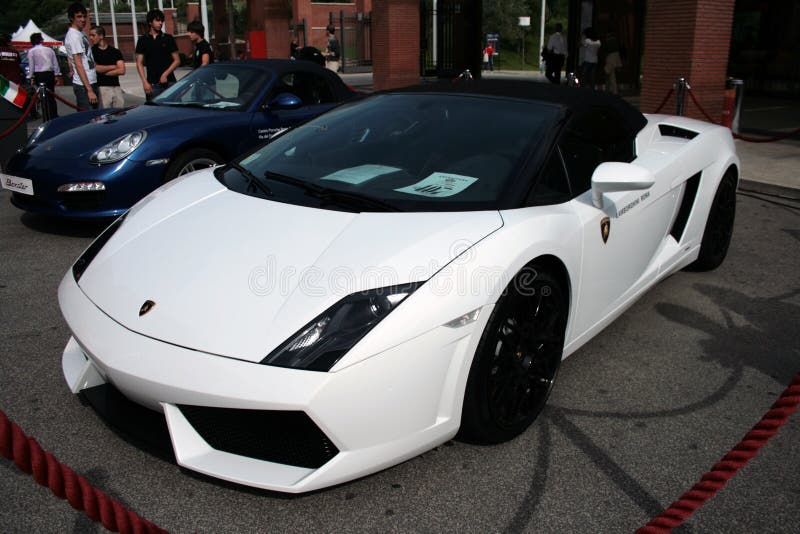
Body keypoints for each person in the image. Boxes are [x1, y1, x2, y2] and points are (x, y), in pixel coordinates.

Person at [135, 9, 180, 101]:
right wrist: (144, 82)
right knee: (153, 113)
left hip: (169, 83)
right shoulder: (143, 40)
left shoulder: (168, 38)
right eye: (157, 20)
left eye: (162, 21)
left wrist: (165, 74)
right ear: (150, 22)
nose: (160, 23)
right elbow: (139, 63)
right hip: (152, 84)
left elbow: (177, 60)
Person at [64, 2, 98, 110]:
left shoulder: (81, 33)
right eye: (79, 16)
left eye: (84, 16)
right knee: (89, 120)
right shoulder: (74, 36)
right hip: (83, 85)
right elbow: (78, 63)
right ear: (71, 18)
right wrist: (89, 90)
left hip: (91, 80)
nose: (82, 20)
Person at [89, 25, 125, 108]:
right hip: (101, 87)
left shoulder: (115, 52)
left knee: (119, 114)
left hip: (116, 87)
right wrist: (114, 66)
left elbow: (122, 70)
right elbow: (96, 68)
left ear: (101, 36)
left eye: (93, 35)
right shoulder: (91, 52)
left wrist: (102, 71)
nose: (91, 38)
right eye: (90, 35)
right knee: (104, 115)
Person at [27, 33, 62, 118]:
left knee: (42, 95)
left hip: (39, 74)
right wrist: (56, 74)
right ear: (41, 40)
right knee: (51, 95)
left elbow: (31, 66)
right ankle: (54, 114)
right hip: (50, 74)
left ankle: (46, 114)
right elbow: (55, 63)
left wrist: (30, 76)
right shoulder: (49, 50)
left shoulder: (31, 51)